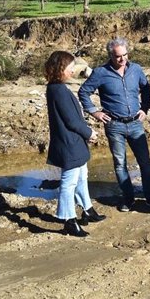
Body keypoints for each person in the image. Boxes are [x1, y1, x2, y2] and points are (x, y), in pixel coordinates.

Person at [78, 37, 150, 212]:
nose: (122, 59)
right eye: (118, 57)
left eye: (125, 55)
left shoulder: (136, 69)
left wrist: (145, 108)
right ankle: (128, 199)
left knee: (145, 162)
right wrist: (94, 112)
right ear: (110, 56)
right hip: (114, 125)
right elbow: (84, 91)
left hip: (136, 123)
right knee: (120, 163)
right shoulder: (100, 72)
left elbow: (146, 88)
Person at [45, 50, 106, 237]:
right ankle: (68, 220)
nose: (72, 71)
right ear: (60, 68)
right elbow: (71, 120)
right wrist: (90, 132)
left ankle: (87, 209)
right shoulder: (58, 90)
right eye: (70, 67)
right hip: (68, 143)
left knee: (81, 176)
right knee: (69, 182)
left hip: (72, 141)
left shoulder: (57, 87)